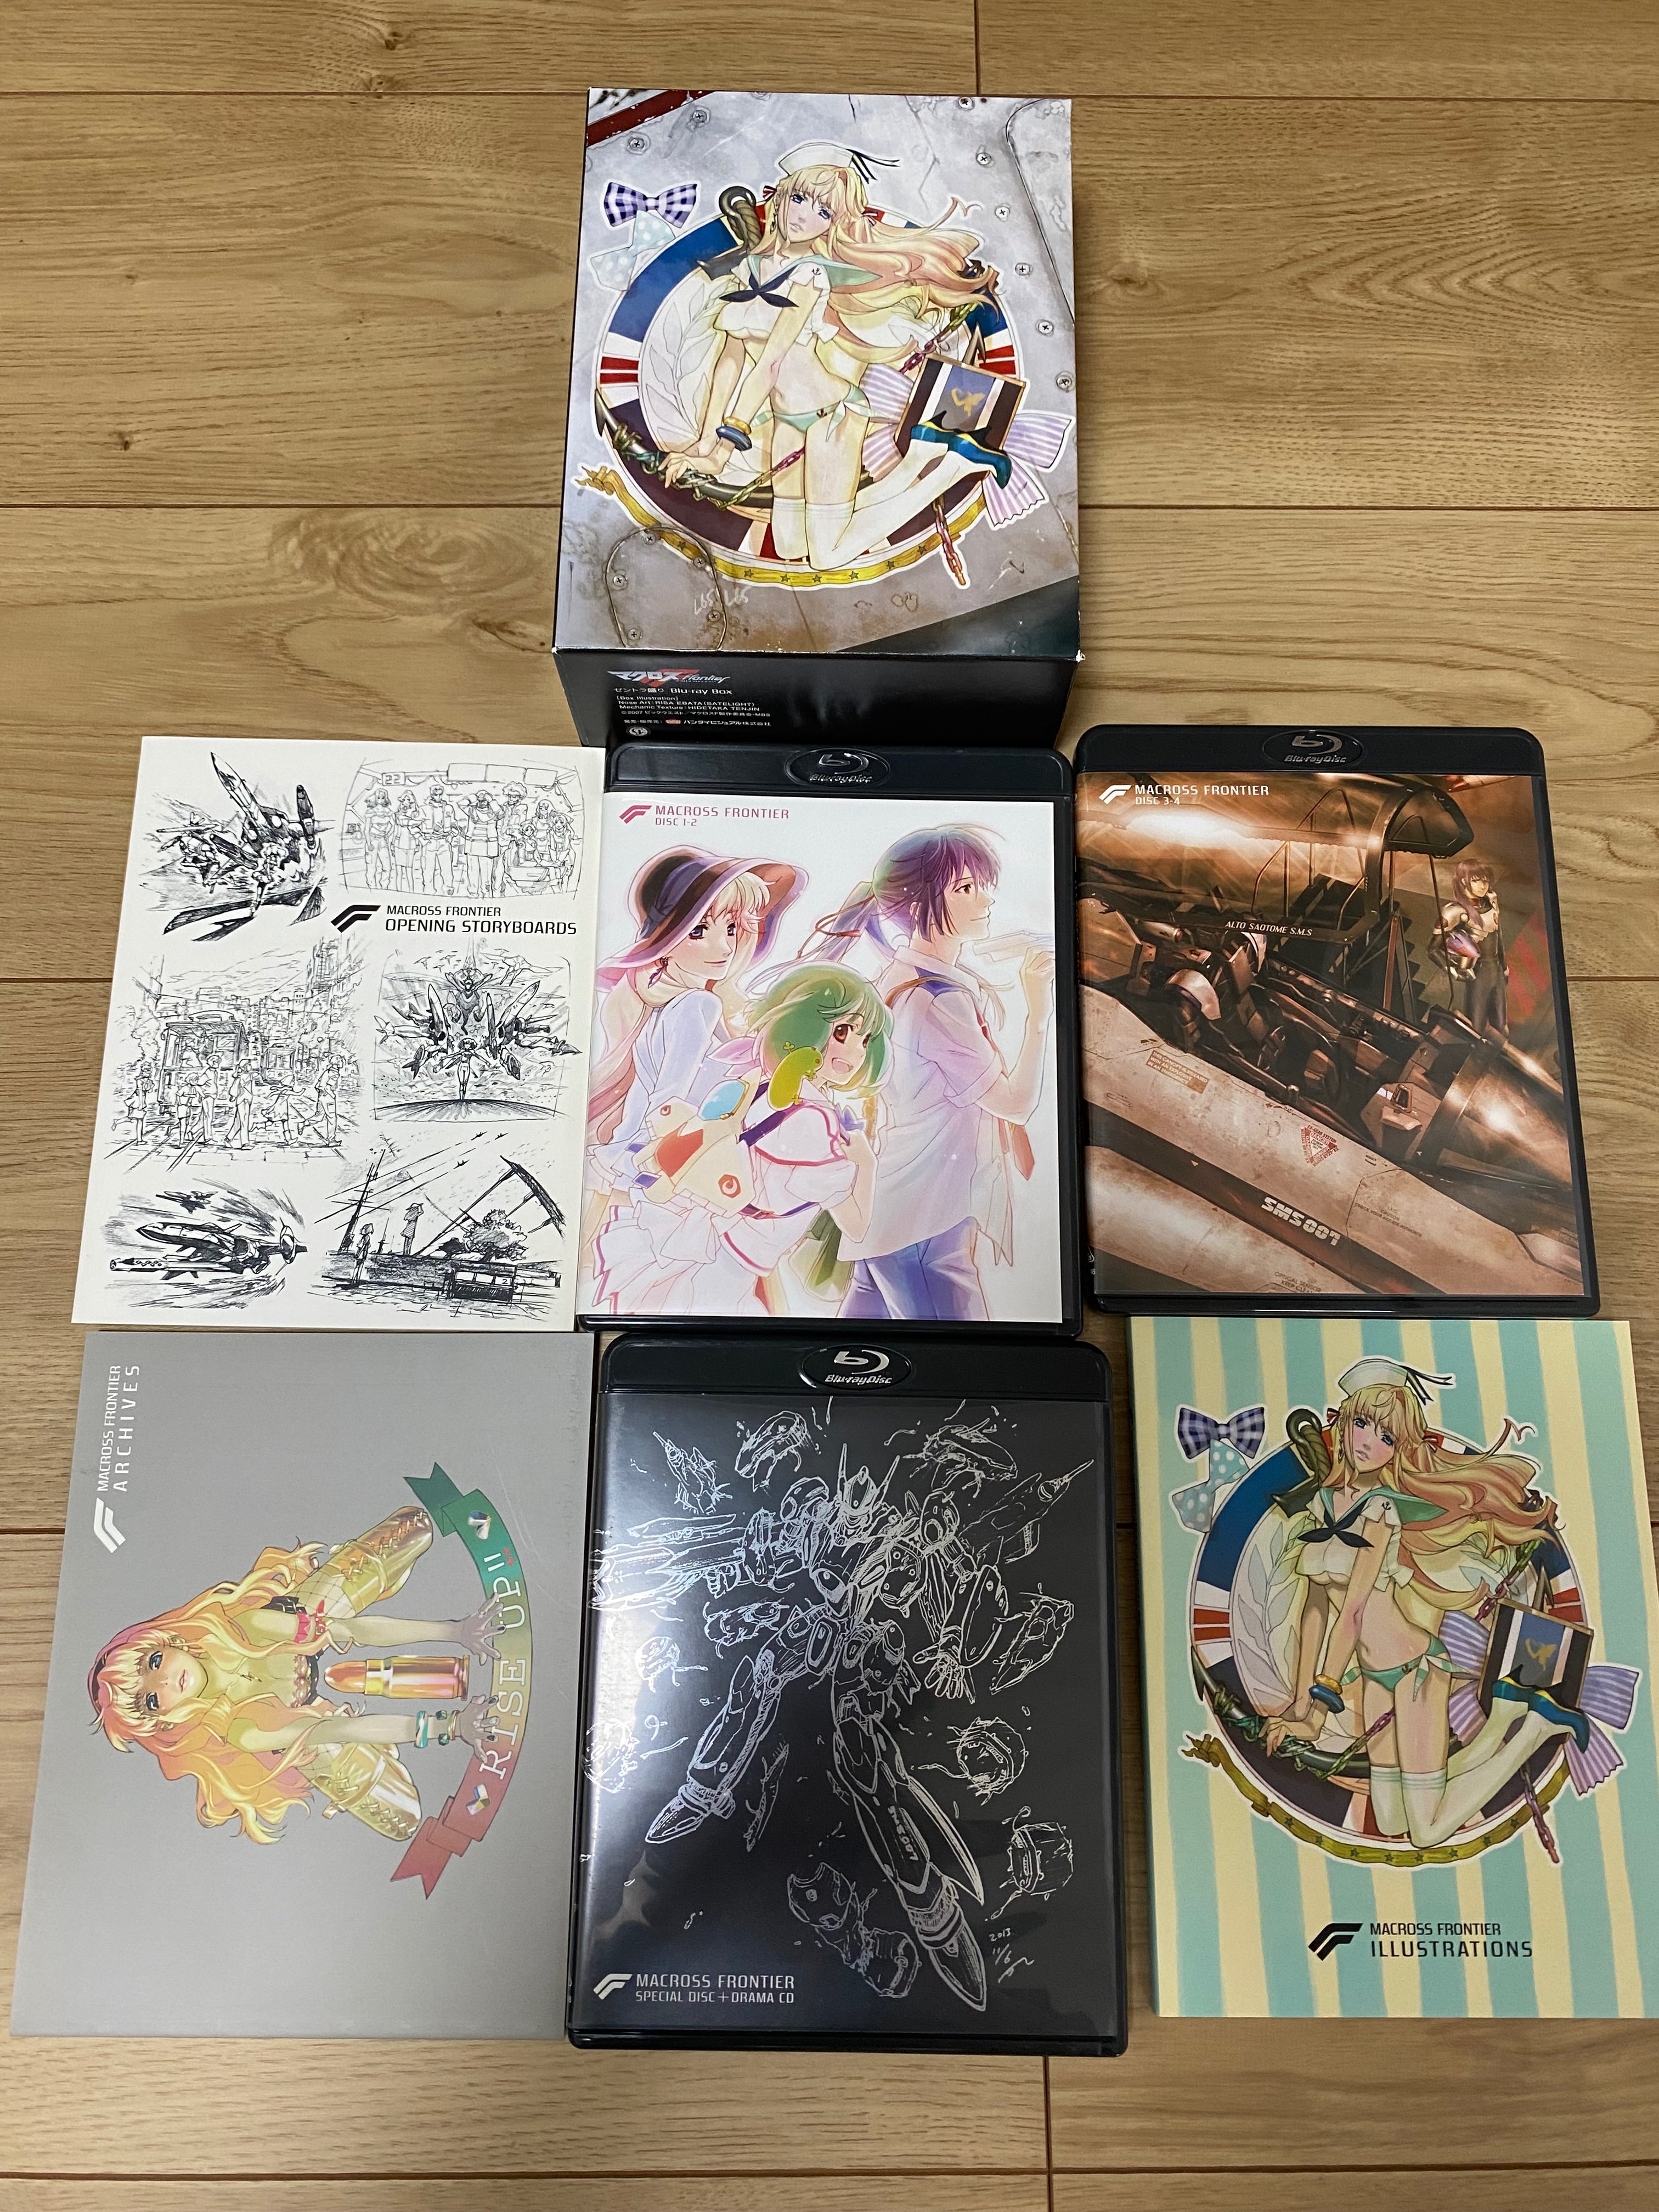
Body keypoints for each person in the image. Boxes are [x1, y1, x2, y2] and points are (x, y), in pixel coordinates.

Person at [1262, 1357, 1578, 1849]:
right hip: (1375, 1679)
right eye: (1362, 1423)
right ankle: (1500, 1724)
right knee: (1392, 1821)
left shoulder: (1381, 1509)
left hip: (1416, 1670)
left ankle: (1535, 1730)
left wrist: (1319, 1710)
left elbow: (1354, 1612)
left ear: (1398, 1450)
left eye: (1386, 1436)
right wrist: (1301, 1706)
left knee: (1427, 1833)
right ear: (1343, 1423)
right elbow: (1315, 1612)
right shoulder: (1324, 1504)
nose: (1368, 1441)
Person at [661, 144, 999, 571]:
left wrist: (722, 452)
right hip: (788, 423)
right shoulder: (749, 269)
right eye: (801, 198)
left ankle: (954, 467)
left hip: (831, 415)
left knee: (827, 557)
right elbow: (729, 363)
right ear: (781, 196)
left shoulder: (810, 274)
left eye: (824, 212)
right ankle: (920, 458)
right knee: (790, 546)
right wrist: (703, 444)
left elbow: (771, 364)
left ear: (833, 225)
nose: (805, 216)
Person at [87, 1509, 502, 1846]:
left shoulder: (248, 1626)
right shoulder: (243, 1732)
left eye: (154, 1663)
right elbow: (346, 1729)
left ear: (170, 1642)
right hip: (311, 1726)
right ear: (162, 1722)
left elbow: (350, 1631)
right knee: (400, 1820)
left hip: (304, 1616)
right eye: (151, 1700)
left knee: (413, 1529)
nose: (164, 1682)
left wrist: (457, 1631)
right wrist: (450, 1726)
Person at [810, 827, 1054, 1323]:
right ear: (920, 906)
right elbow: (1014, 1104)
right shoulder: (940, 1000)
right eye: (965, 888)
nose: (986, 899)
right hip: (924, 1222)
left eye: (982, 885)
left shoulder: (898, 980)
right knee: (964, 1362)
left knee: (858, 1353)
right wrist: (1038, 1016)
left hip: (892, 1209)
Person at [590, 963, 888, 1316]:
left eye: (865, 1040)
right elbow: (856, 1226)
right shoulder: (815, 1120)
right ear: (805, 1025)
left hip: (704, 1238)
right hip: (728, 1260)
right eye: (842, 1032)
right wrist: (866, 1162)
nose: (857, 1052)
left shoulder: (758, 1086)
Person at [580, 848, 799, 1298]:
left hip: (670, 1158)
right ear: (667, 937)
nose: (724, 946)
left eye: (732, 928)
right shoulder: (696, 1006)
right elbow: (669, 1102)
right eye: (699, 930)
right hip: (679, 1163)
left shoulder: (678, 1006)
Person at [1437, 857, 1508, 1037]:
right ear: (1464, 881)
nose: (1483, 886)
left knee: (1501, 1027)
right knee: (1476, 1028)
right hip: (1477, 971)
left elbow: (1498, 935)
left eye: (1485, 881)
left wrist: (1504, 966)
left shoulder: (1491, 900)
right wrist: (1453, 970)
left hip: (1496, 969)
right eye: (1477, 881)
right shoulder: (1456, 911)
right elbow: (1433, 948)